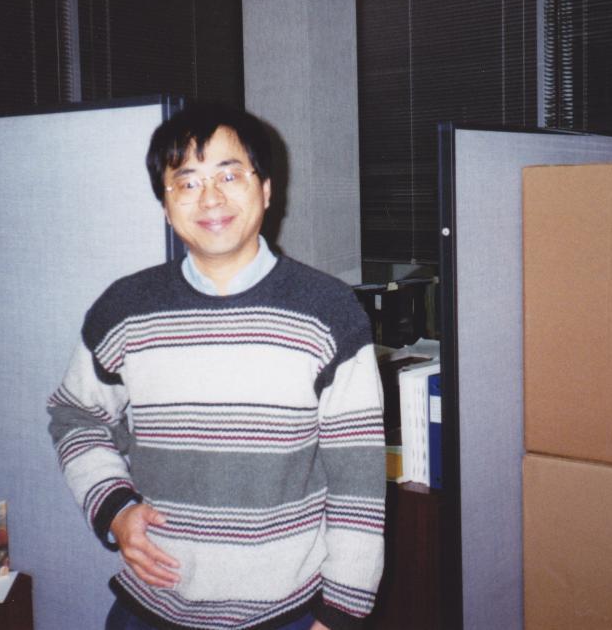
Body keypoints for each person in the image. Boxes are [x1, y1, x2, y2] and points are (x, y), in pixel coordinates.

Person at [47, 105, 386, 630]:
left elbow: (357, 482)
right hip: (153, 605)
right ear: (166, 205)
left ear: (266, 190)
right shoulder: (125, 310)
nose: (210, 198)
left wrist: (341, 615)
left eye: (229, 175)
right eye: (187, 182)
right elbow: (76, 417)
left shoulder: (329, 313)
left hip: (288, 613)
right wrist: (114, 508)